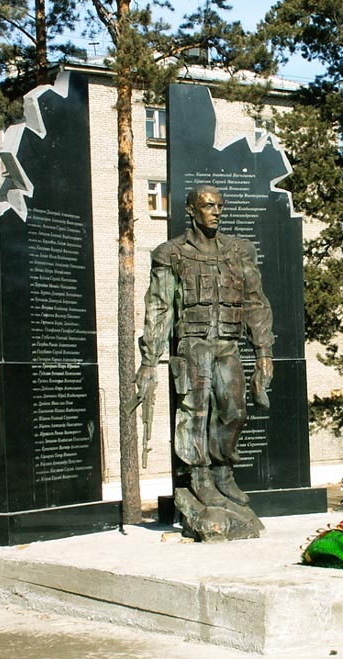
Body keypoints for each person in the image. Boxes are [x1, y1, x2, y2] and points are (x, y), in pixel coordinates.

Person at [135, 184, 274, 532]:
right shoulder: (171, 253)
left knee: (234, 411)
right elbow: (160, 307)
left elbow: (255, 303)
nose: (216, 212)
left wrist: (263, 352)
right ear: (192, 210)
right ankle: (199, 478)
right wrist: (149, 362)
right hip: (192, 346)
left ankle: (223, 473)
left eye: (219, 206)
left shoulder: (240, 251)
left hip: (227, 344)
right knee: (194, 415)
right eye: (208, 206)